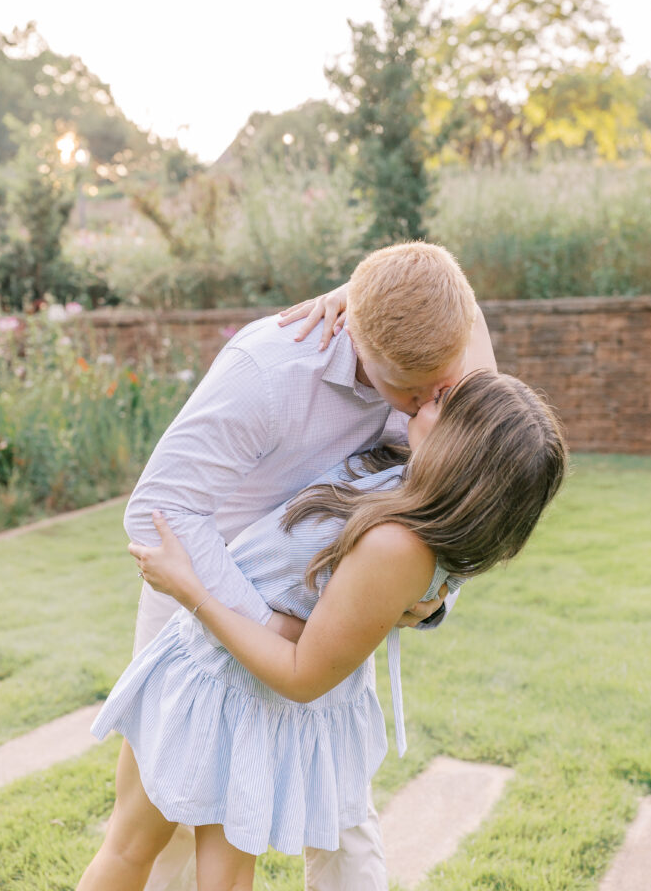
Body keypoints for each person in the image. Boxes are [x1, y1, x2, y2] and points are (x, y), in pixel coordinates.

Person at [82, 241, 497, 891]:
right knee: (165, 828)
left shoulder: (441, 369)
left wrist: (430, 598)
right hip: (200, 612)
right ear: (357, 337)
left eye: (440, 386)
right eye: (411, 393)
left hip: (330, 610)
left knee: (343, 816)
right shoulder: (268, 368)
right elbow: (159, 512)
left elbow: (463, 494)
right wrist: (260, 632)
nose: (428, 407)